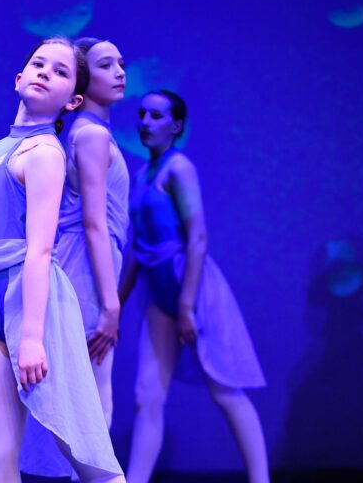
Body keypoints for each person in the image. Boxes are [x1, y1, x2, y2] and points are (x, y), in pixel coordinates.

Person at [0, 38, 125, 483]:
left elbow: (40, 248)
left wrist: (33, 336)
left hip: (35, 310)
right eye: (38, 64)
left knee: (85, 452)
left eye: (59, 72)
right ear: (18, 78)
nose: (43, 73)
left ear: (73, 100)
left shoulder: (46, 154)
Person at [119, 90, 269, 483]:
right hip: (158, 294)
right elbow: (137, 246)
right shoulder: (140, 176)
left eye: (156, 116)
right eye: (141, 115)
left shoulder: (179, 168)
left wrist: (187, 305)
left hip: (193, 287)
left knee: (224, 389)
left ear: (177, 126)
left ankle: (260, 478)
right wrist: (114, 304)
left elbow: (198, 237)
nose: (145, 122)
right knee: (145, 396)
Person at [19, 37, 130, 479]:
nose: (120, 72)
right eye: (106, 65)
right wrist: (111, 303)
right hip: (84, 268)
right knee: (91, 395)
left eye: (122, 63)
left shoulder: (84, 133)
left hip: (87, 265)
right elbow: (94, 223)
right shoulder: (92, 134)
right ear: (84, 81)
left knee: (77, 392)